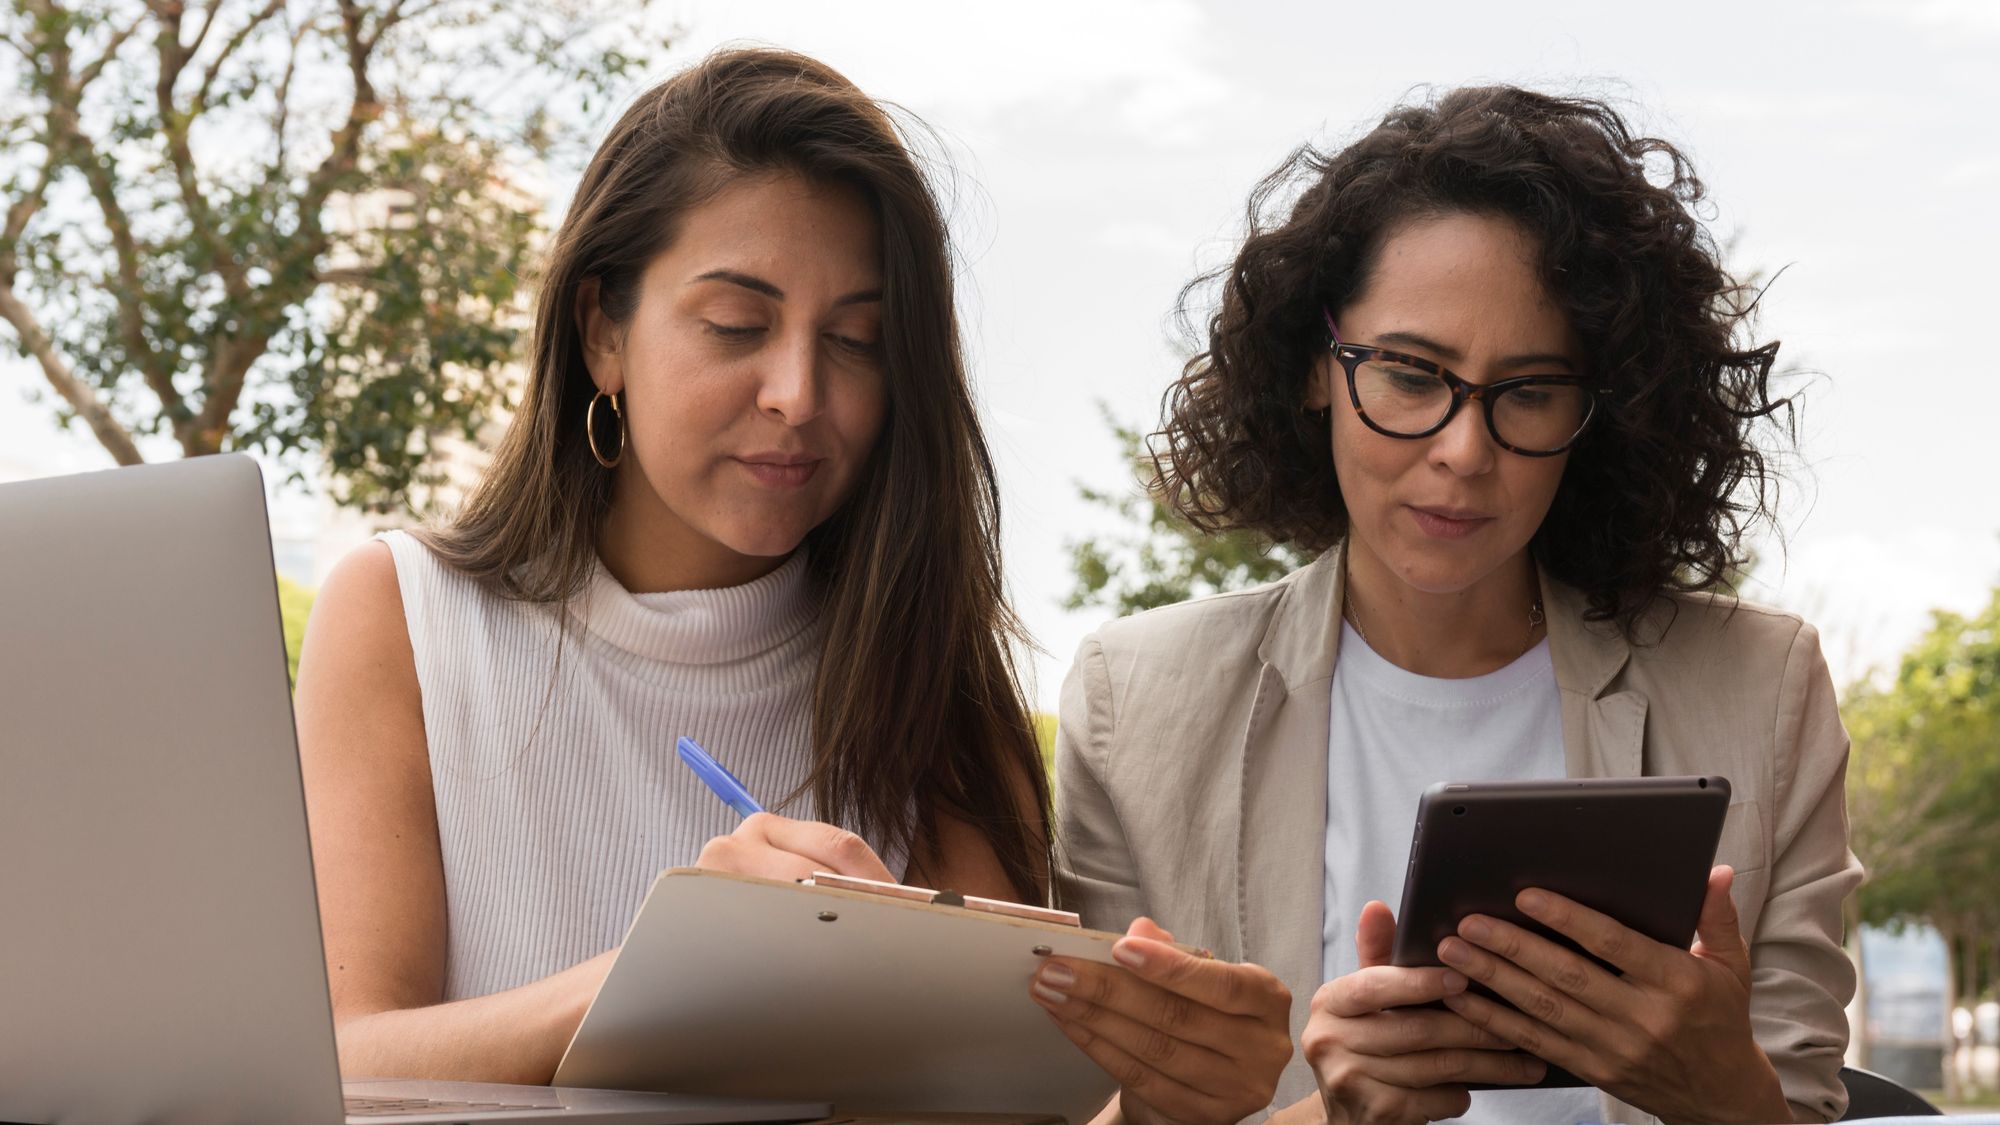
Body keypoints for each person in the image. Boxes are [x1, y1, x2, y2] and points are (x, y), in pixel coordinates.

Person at [295, 47, 1290, 1121]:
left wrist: (1169, 1098)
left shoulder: (931, 673)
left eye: (857, 341)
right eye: (735, 325)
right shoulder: (404, 613)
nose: (797, 393)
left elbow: (1014, 1111)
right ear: (601, 329)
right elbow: (339, 1062)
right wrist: (664, 967)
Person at [1052, 86, 1862, 1125]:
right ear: (1315, 364)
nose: (1462, 453)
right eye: (1409, 374)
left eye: (1526, 392)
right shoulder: (1138, 703)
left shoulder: (1761, 689)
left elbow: (1795, 1103)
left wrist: (1725, 1097)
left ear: (1599, 412)